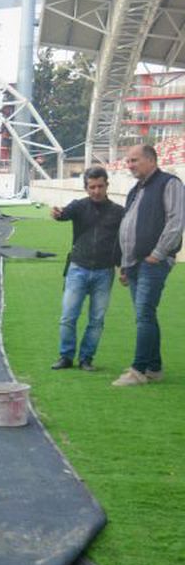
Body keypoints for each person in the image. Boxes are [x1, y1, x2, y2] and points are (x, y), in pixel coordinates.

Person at [112, 144, 183, 386]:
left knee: (143, 315)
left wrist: (158, 253)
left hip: (153, 262)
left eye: (134, 160)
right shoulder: (135, 190)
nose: (129, 165)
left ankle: (138, 370)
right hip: (134, 263)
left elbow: (176, 221)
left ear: (151, 160)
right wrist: (125, 266)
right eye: (128, 161)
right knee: (146, 315)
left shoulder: (169, 183)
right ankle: (154, 368)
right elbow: (127, 228)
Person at [50, 166, 124, 371]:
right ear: (86, 188)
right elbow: (62, 214)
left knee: (97, 320)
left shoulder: (119, 212)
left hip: (105, 272)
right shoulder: (78, 206)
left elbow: (124, 241)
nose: (96, 191)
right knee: (68, 317)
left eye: (100, 186)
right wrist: (56, 213)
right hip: (77, 269)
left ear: (107, 185)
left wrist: (124, 266)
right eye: (92, 187)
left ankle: (86, 359)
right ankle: (66, 357)